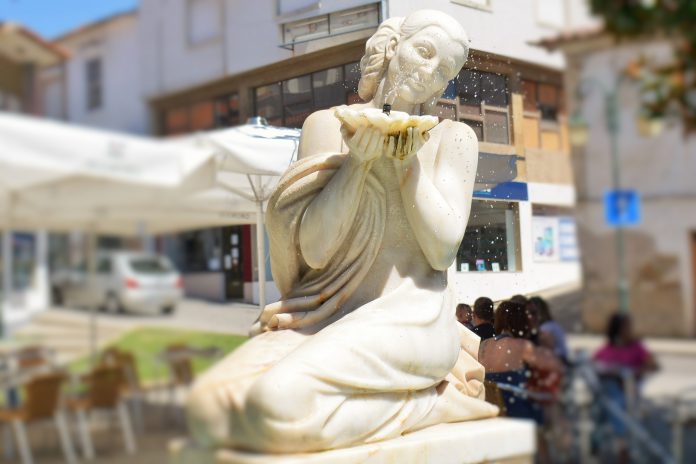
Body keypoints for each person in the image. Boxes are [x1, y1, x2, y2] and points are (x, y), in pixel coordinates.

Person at [187, 10, 497, 454]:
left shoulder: (453, 138)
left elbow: (442, 250)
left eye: (445, 72)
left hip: (414, 318)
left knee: (273, 405)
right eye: (425, 52)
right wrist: (356, 165)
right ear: (392, 47)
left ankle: (432, 407)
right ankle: (411, 405)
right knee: (206, 406)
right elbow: (313, 252)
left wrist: (405, 165)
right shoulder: (326, 126)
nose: (431, 74)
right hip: (325, 312)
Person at [479, 300, 562, 424]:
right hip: (518, 413)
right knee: (557, 407)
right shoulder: (521, 346)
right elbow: (557, 366)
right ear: (521, 322)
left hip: (492, 411)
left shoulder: (483, 345)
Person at [592, 312, 658, 460]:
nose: (629, 330)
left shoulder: (636, 347)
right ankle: (616, 445)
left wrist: (634, 372)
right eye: (625, 327)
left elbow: (653, 365)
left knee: (611, 403)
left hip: (628, 392)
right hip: (609, 393)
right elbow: (593, 366)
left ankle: (616, 445)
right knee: (607, 399)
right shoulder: (607, 349)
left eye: (629, 326)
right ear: (617, 329)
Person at [530, 296, 569, 364]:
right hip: (562, 359)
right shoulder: (552, 324)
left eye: (532, 312)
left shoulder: (545, 328)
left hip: (559, 361)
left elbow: (549, 353)